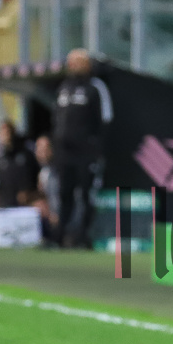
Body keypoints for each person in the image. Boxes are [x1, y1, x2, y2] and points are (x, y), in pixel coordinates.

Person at [52, 48, 112, 248]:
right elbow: (56, 118)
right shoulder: (63, 88)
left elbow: (105, 120)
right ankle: (60, 236)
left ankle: (84, 236)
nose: (74, 65)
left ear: (87, 64)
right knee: (64, 194)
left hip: (86, 153)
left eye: (78, 61)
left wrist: (97, 149)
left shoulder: (95, 87)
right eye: (71, 62)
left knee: (86, 195)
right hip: (64, 153)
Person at [0, 120, 39, 209]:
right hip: (6, 204)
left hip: (26, 204)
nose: (6, 135)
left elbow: (34, 174)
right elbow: (0, 182)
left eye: (8, 132)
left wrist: (28, 190)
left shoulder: (26, 153)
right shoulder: (0, 158)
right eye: (3, 133)